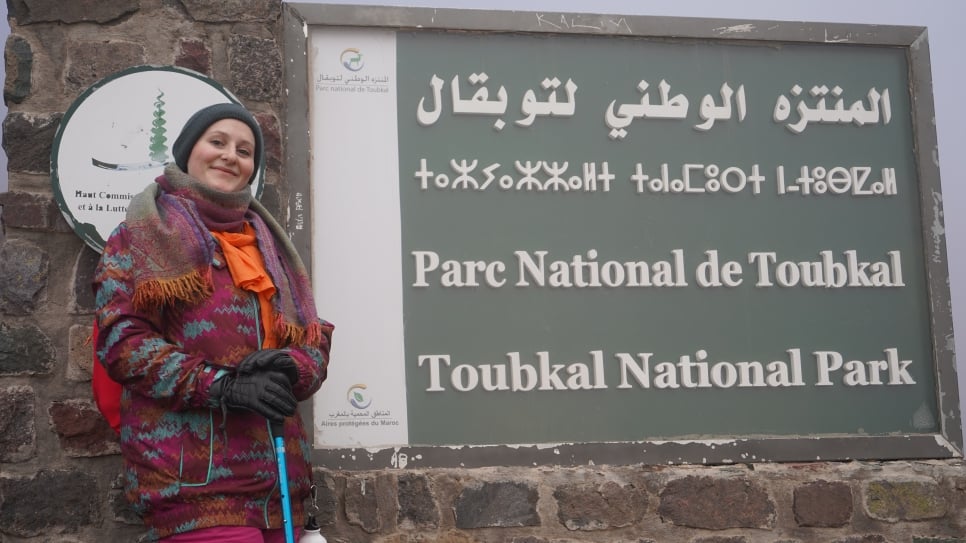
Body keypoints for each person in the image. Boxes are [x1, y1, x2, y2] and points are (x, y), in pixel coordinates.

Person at [93, 102, 333, 543]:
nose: (231, 156)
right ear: (188, 151)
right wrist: (223, 386)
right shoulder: (140, 235)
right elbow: (122, 343)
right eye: (217, 142)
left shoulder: (271, 248)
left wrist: (290, 367)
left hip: (281, 486)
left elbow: (314, 344)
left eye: (245, 151)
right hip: (196, 487)